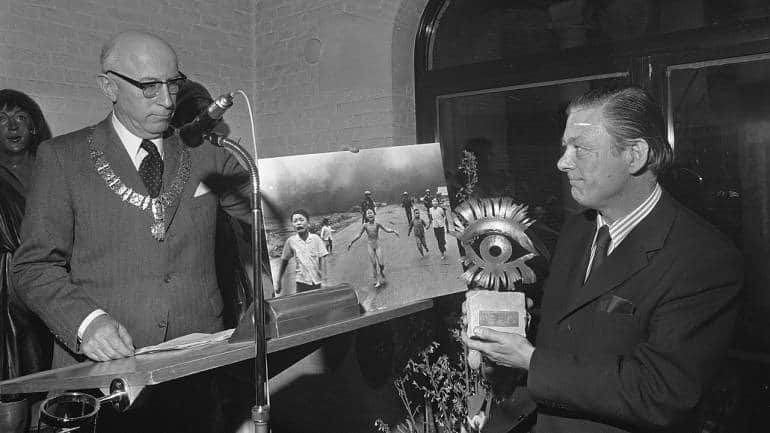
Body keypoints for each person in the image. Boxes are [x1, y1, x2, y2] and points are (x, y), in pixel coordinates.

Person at [463, 86, 743, 433]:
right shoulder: (578, 229)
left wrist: (529, 360)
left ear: (635, 155)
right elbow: (570, 335)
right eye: (565, 147)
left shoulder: (703, 257)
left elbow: (660, 393)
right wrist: (502, 333)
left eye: (580, 149)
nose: (562, 162)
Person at [12, 31, 251, 433]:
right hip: (103, 382)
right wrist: (86, 323)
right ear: (108, 86)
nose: (167, 100)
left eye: (173, 84)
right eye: (149, 86)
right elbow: (32, 267)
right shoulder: (62, 158)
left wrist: (340, 182)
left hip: (195, 377)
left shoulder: (206, 151)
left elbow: (271, 211)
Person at [0, 89, 52, 192]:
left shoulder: (54, 167)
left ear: (34, 126)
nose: (13, 126)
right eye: (2, 119)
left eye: (20, 117)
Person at [275, 209, 328, 295]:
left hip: (317, 282)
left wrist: (324, 281)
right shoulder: (291, 241)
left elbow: (323, 259)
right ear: (293, 225)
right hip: (301, 283)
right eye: (295, 221)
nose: (298, 223)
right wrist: (278, 281)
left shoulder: (316, 239)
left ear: (308, 222)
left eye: (301, 220)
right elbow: (284, 260)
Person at [348, 208, 399, 288]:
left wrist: (393, 231)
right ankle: (377, 281)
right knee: (374, 264)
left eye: (371, 213)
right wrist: (351, 242)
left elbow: (386, 229)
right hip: (370, 246)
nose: (370, 214)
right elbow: (358, 235)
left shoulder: (377, 224)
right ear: (366, 216)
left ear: (374, 215)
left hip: (377, 245)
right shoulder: (365, 225)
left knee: (381, 264)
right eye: (368, 213)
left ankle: (381, 272)